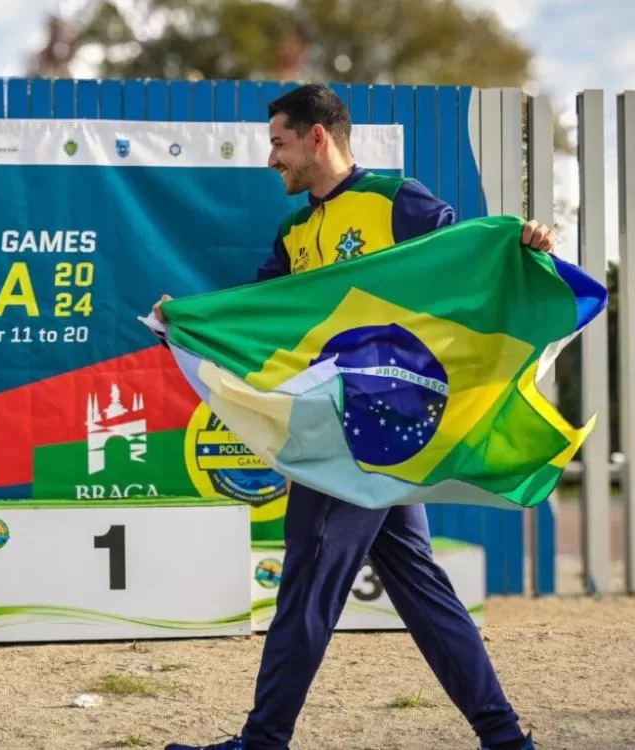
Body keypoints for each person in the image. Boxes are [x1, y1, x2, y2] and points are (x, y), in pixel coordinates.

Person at [154, 84, 552, 750]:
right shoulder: (294, 234)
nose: (270, 158)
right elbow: (259, 323)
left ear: (317, 136)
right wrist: (187, 326)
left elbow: (467, 261)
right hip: (348, 429)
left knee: (307, 582)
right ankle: (504, 737)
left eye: (278, 142)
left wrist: (525, 246)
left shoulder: (395, 200)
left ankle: (264, 741)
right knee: (419, 586)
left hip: (370, 432)